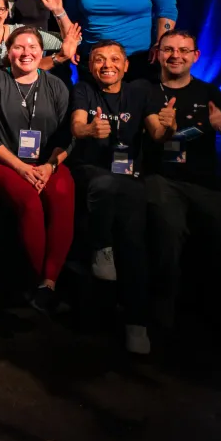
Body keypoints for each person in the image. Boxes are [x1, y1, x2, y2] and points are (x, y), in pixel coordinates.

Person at [140, 29, 221, 340]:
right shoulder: (146, 91)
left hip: (205, 181)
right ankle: (162, 312)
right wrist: (164, 127)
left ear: (195, 56)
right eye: (169, 49)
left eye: (183, 50)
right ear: (158, 53)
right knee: (166, 229)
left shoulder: (210, 92)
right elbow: (153, 135)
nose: (176, 55)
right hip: (162, 178)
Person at [0, 25, 75, 315]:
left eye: (33, 47)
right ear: (8, 52)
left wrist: (49, 165)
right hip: (3, 161)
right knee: (30, 203)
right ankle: (33, 280)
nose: (26, 53)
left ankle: (49, 283)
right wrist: (21, 168)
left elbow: (67, 137)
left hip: (47, 163)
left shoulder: (56, 85)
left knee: (63, 195)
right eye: (19, 47)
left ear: (42, 53)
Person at [68, 39, 156, 354]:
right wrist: (90, 130)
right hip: (92, 171)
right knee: (104, 185)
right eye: (99, 59)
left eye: (115, 59)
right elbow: (77, 125)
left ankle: (137, 324)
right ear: (90, 66)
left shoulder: (139, 91)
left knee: (133, 242)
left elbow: (157, 130)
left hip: (128, 175)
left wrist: (168, 128)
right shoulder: (84, 91)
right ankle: (102, 247)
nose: (107, 65)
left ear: (126, 64)